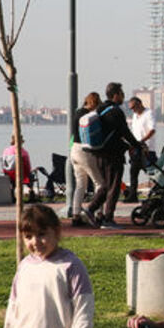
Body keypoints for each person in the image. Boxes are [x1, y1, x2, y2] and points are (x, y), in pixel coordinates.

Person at [84, 82, 141, 229]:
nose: (123, 97)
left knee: (106, 184)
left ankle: (93, 210)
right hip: (112, 155)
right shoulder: (115, 111)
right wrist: (137, 145)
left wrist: (128, 145)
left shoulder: (100, 109)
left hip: (99, 153)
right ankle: (107, 218)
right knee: (114, 186)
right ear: (116, 95)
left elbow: (113, 134)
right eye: (122, 94)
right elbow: (124, 132)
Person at [70, 93, 109, 227]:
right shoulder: (88, 116)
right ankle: (98, 213)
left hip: (74, 150)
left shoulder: (77, 114)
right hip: (85, 151)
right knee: (100, 183)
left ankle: (75, 215)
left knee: (81, 184)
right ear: (93, 103)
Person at [124, 97, 157, 203]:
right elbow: (133, 132)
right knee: (133, 171)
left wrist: (142, 141)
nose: (133, 110)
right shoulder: (134, 116)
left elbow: (152, 130)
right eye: (131, 108)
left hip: (146, 149)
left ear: (139, 104)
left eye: (134, 107)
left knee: (152, 171)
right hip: (135, 149)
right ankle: (132, 195)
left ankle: (159, 192)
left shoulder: (149, 113)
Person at [2, 135, 33, 201]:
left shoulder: (6, 150)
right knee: (31, 176)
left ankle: (12, 195)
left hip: (9, 175)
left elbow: (4, 164)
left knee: (13, 180)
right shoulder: (23, 152)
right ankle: (31, 192)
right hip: (22, 175)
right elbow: (27, 166)